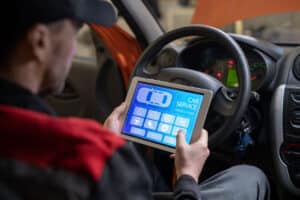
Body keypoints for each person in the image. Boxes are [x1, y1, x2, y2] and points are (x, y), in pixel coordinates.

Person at [0, 0, 270, 199]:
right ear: (39, 42)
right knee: (251, 177)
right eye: (76, 30)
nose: (73, 48)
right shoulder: (91, 157)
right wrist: (187, 176)